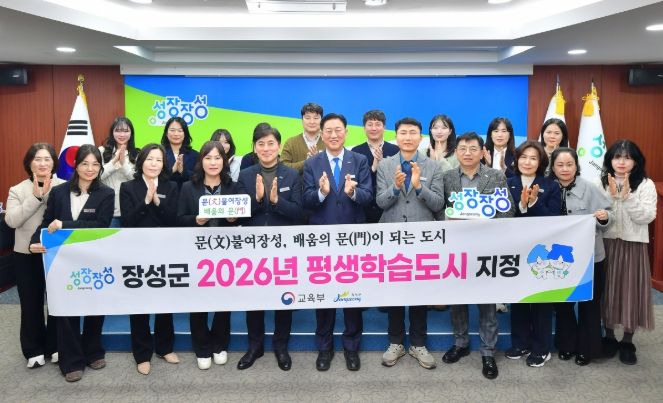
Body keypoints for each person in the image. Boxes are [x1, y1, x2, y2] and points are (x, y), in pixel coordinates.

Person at [28, 144, 114, 382]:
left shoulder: (106, 193)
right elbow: (47, 221)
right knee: (67, 310)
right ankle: (71, 359)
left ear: (100, 167)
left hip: (94, 258)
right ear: (75, 165)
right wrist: (34, 241)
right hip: (63, 260)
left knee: (95, 306)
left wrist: (65, 225)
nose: (90, 169)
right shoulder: (59, 191)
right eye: (85, 163)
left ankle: (93, 351)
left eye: (95, 164)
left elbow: (100, 226)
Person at [441, 132, 515, 380]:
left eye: (473, 148)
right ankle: (460, 343)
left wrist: (486, 218)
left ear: (483, 152)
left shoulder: (496, 176)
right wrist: (448, 218)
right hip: (456, 248)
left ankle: (488, 351)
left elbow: (508, 211)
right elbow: (440, 209)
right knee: (457, 299)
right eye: (462, 148)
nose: (467, 153)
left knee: (487, 302)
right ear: (456, 152)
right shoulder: (448, 177)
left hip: (485, 247)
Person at [302, 113, 372, 372]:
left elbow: (368, 196)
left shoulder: (359, 160)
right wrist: (321, 193)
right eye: (328, 130)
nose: (333, 135)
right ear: (321, 134)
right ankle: (325, 347)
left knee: (353, 294)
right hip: (322, 239)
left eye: (338, 130)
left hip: (352, 238)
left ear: (346, 132)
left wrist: (353, 192)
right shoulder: (312, 163)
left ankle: (351, 347)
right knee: (324, 295)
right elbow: (306, 200)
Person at [376, 117, 445, 369]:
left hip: (422, 238)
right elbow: (380, 202)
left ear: (420, 137)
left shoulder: (433, 166)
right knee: (394, 291)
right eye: (403, 133)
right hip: (392, 237)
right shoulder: (385, 165)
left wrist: (418, 188)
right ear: (396, 137)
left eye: (413, 133)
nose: (407, 137)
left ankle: (418, 343)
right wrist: (395, 188)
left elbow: (438, 204)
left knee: (419, 292)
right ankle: (395, 342)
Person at [235, 124, 303, 371]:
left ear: (278, 146)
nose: (266, 148)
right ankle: (255, 346)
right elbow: (239, 214)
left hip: (283, 246)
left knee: (284, 298)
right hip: (253, 247)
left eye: (270, 143)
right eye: (261, 144)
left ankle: (281, 346)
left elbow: (299, 213)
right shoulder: (245, 175)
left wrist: (276, 201)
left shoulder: (292, 175)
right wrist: (258, 199)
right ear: (254, 147)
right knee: (254, 298)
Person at [177, 141, 238, 370]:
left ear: (224, 161)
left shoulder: (233, 187)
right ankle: (202, 347)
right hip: (197, 253)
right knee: (198, 302)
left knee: (224, 300)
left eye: (217, 158)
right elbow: (179, 219)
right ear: (201, 161)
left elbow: (244, 217)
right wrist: (196, 220)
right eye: (208, 158)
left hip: (225, 254)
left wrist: (233, 219)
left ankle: (220, 345)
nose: (213, 162)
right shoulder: (188, 187)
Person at [119, 143, 180, 375]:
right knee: (139, 305)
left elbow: (174, 221)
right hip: (137, 252)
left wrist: (158, 203)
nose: (154, 164)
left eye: (159, 160)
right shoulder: (128, 187)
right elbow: (127, 222)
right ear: (141, 161)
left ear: (164, 164)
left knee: (165, 303)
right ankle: (142, 354)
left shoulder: (171, 186)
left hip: (165, 252)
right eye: (149, 159)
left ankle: (165, 348)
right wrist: (145, 201)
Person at [549, 147, 611, 366]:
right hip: (558, 260)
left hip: (591, 257)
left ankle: (587, 348)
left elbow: (609, 214)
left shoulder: (590, 188)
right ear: (552, 167)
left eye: (570, 164)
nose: (565, 169)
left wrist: (604, 217)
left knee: (590, 304)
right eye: (560, 165)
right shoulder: (547, 188)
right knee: (563, 303)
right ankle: (567, 344)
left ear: (577, 165)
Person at [5, 143, 65, 369]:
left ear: (54, 163)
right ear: (29, 163)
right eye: (38, 159)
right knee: (31, 302)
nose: (43, 163)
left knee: (57, 300)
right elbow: (12, 221)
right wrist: (36, 197)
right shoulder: (17, 190)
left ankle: (56, 346)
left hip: (56, 254)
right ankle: (33, 349)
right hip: (25, 254)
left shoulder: (63, 186)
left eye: (47, 159)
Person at [598, 140, 656, 365]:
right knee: (608, 291)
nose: (621, 162)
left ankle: (628, 341)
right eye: (617, 157)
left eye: (627, 157)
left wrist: (626, 196)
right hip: (607, 244)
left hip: (633, 246)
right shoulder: (601, 182)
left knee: (631, 292)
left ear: (636, 161)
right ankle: (609, 336)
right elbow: (597, 213)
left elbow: (646, 217)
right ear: (610, 160)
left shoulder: (645, 184)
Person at [505, 141, 561, 367]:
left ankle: (541, 348)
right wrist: (521, 205)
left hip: (541, 252)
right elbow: (502, 217)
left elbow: (555, 220)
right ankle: (520, 342)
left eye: (533, 158)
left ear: (541, 162)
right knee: (517, 298)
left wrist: (534, 202)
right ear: (517, 160)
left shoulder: (551, 186)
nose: (527, 162)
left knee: (540, 301)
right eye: (523, 157)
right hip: (514, 250)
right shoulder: (507, 183)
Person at [351, 109, 400, 223]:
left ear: (384, 127)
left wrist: (383, 166)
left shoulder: (395, 150)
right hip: (364, 210)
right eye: (370, 124)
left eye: (378, 124)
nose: (374, 128)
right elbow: (354, 181)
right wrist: (373, 168)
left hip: (390, 208)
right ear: (364, 128)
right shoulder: (356, 151)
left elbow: (399, 179)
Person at [99, 117, 139, 227]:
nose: (122, 135)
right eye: (118, 130)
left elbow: (137, 181)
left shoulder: (137, 154)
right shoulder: (102, 151)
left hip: (131, 208)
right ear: (112, 132)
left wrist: (123, 164)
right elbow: (96, 177)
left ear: (131, 133)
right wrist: (114, 162)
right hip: (108, 209)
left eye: (126, 131)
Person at [281, 102, 325, 174]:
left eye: (316, 118)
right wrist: (307, 162)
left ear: (321, 120)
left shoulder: (328, 142)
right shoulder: (290, 143)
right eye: (307, 118)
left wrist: (318, 160)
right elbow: (282, 168)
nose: (312, 122)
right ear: (302, 120)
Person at [161, 116, 199, 187]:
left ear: (185, 134)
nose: (176, 134)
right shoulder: (159, 154)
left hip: (187, 193)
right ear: (166, 133)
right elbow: (155, 177)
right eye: (172, 130)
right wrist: (172, 170)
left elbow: (198, 178)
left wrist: (182, 171)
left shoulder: (195, 155)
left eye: (180, 131)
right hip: (164, 192)